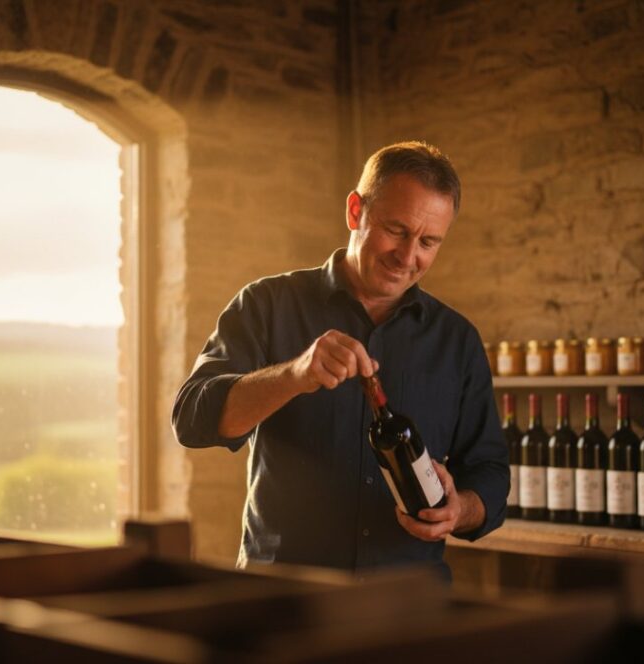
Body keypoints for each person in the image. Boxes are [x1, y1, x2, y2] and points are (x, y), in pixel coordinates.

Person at [172, 141, 509, 579]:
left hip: (408, 609)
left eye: (428, 242)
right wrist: (294, 374)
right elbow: (192, 419)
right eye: (396, 230)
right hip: (282, 599)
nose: (408, 257)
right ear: (355, 211)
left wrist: (461, 509)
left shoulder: (458, 339)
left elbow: (490, 471)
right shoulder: (266, 304)